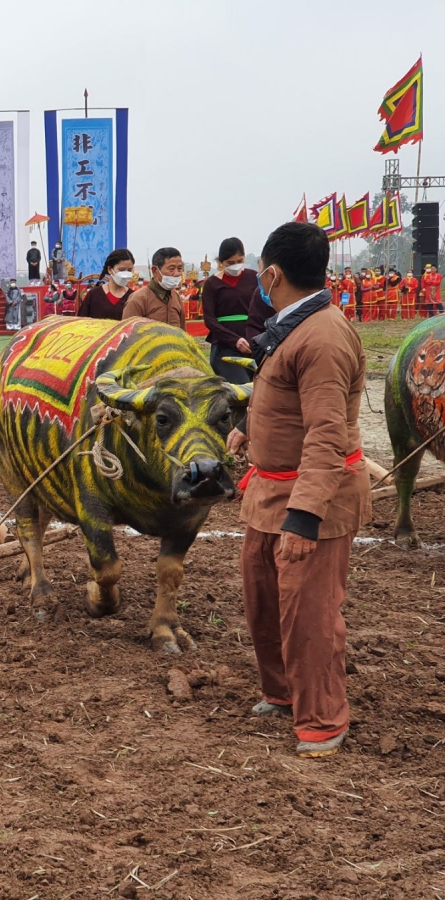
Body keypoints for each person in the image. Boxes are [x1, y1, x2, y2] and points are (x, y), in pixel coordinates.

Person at [227, 222, 369, 760]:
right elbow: (284, 396)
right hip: (269, 489)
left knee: (309, 613)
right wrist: (250, 428)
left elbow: (327, 434)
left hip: (313, 495)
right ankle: (283, 692)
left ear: (271, 275)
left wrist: (305, 517)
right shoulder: (295, 322)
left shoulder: (324, 337)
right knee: (263, 599)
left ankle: (323, 719)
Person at [200, 238, 259, 384]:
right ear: (221, 262)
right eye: (230, 263)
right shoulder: (212, 284)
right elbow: (210, 320)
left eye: (239, 261)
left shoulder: (254, 278)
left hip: (252, 343)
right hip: (224, 346)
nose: (235, 266)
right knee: (241, 386)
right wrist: (235, 340)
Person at [123, 247, 186, 327]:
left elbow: (182, 332)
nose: (177, 273)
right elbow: (128, 331)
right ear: (155, 271)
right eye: (171, 269)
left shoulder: (176, 298)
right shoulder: (138, 299)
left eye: (179, 269)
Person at [78, 249, 135, 320]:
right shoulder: (94, 295)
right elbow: (80, 321)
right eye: (121, 270)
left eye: (129, 270)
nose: (125, 274)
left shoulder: (133, 297)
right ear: (110, 269)